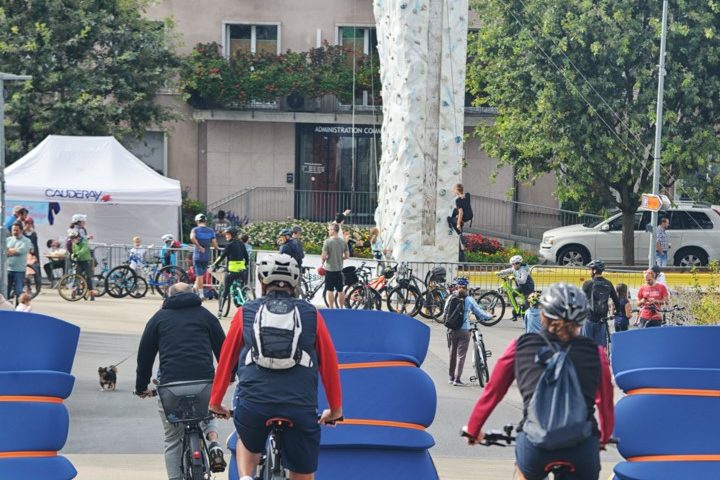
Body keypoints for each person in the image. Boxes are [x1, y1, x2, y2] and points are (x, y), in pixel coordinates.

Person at [208, 253, 343, 480]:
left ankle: (246, 478)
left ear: (262, 282)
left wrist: (216, 402)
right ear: (295, 284)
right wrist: (336, 409)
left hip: (254, 403)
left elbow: (226, 360)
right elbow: (329, 363)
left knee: (247, 440)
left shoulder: (246, 312)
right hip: (299, 406)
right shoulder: (311, 314)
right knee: (303, 473)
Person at [462, 283, 614, 480]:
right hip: (581, 447)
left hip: (535, 446)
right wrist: (603, 437)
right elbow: (605, 403)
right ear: (582, 319)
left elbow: (493, 392)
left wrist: (474, 429)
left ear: (542, 315)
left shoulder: (521, 346)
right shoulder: (596, 353)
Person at [134, 282, 227, 478]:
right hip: (204, 383)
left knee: (172, 439)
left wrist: (142, 387)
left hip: (170, 387)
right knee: (209, 410)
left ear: (168, 297)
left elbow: (145, 356)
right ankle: (213, 444)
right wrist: (229, 376)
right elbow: (223, 348)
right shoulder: (206, 316)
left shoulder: (158, 318)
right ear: (193, 294)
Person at [447, 278, 494, 386]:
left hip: (452, 329)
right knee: (461, 355)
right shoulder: (469, 299)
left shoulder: (451, 298)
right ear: (467, 288)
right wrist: (489, 316)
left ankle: (451, 377)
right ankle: (457, 380)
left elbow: (445, 313)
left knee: (452, 353)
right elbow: (479, 313)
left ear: (456, 287)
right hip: (465, 330)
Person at [581, 260, 619, 348]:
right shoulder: (608, 283)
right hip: (602, 320)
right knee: (600, 349)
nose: (589, 271)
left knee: (586, 346)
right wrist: (617, 311)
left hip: (589, 319)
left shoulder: (587, 283)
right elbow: (616, 300)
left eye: (590, 269)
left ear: (594, 271)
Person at [211, 226, 249, 312]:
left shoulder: (229, 245)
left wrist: (214, 265)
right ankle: (242, 302)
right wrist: (245, 265)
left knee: (226, 290)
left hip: (232, 272)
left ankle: (220, 311)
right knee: (242, 290)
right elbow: (246, 257)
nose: (226, 236)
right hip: (242, 271)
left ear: (233, 235)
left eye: (228, 234)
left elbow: (221, 257)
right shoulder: (241, 244)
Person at [321, 223, 349, 308]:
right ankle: (341, 307)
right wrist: (340, 258)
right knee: (340, 290)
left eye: (329, 229)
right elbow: (347, 256)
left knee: (330, 290)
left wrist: (323, 261)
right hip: (339, 269)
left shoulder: (327, 242)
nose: (328, 231)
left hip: (330, 269)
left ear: (333, 230)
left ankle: (331, 308)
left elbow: (324, 256)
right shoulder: (343, 241)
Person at [190, 213, 218, 296]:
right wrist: (216, 247)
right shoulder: (210, 231)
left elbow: (192, 238)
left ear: (197, 221)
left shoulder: (195, 229)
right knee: (201, 274)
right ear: (205, 221)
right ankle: (195, 288)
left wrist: (199, 246)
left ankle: (201, 294)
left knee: (199, 276)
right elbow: (214, 243)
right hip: (207, 255)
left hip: (198, 255)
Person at [6, 223, 31, 303]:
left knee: (18, 292)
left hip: (19, 271)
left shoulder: (26, 241)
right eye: (13, 230)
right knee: (5, 291)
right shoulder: (8, 240)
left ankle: (18, 309)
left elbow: (21, 251)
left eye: (16, 230)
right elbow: (3, 251)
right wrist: (13, 250)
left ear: (21, 230)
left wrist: (9, 250)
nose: (15, 232)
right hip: (7, 269)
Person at [69, 229, 96, 300]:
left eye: (73, 238)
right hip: (79, 261)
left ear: (77, 237)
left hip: (87, 261)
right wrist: (73, 255)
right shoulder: (74, 243)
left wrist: (77, 254)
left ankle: (91, 293)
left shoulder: (84, 241)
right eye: (71, 238)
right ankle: (74, 290)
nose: (72, 240)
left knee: (88, 277)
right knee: (77, 276)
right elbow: (73, 250)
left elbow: (83, 250)